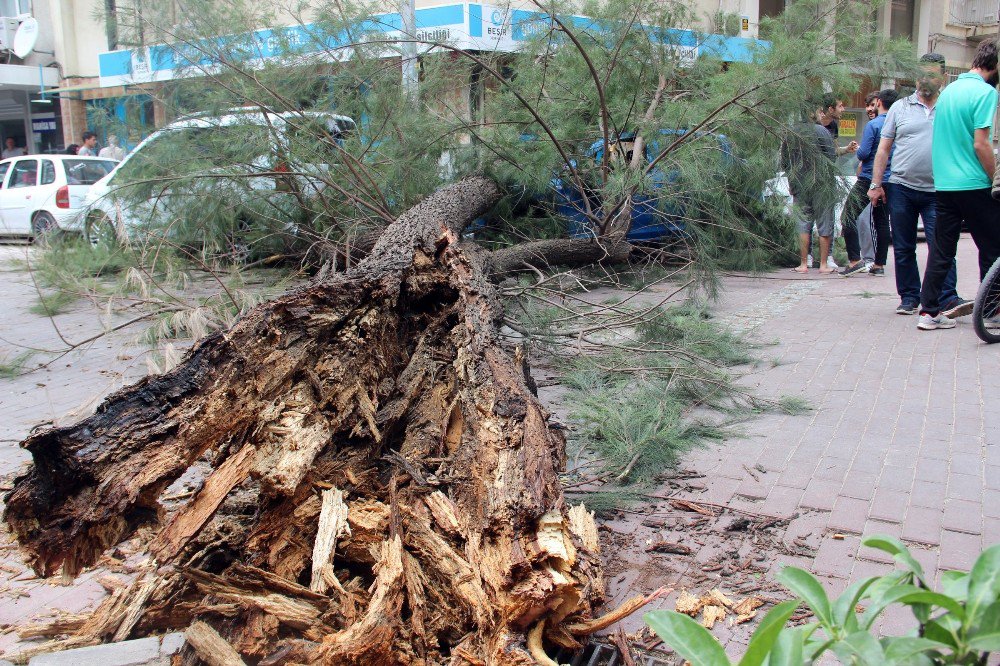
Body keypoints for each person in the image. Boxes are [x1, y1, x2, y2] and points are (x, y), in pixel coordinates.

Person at [868, 53, 968, 317]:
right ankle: (909, 297)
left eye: (932, 75)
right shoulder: (900, 107)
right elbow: (883, 149)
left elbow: (964, 144)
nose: (925, 80)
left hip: (940, 191)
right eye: (921, 74)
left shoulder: (950, 106)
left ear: (943, 78)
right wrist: (876, 184)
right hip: (901, 187)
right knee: (903, 246)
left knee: (943, 247)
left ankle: (947, 298)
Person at [918, 40, 1000, 330]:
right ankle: (992, 311)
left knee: (941, 250)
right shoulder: (986, 93)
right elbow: (981, 144)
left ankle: (928, 313)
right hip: (974, 183)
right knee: (992, 249)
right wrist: (994, 178)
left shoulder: (949, 91)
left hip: (945, 185)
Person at [841, 89, 898, 277]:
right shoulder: (899, 123)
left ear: (879, 102)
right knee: (881, 221)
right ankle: (879, 264)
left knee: (847, 216)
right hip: (891, 180)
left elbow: (864, 153)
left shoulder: (874, 125)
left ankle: (855, 260)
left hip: (869, 179)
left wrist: (858, 151)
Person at [782, 101, 842, 274]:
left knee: (802, 223)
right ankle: (823, 265)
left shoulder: (791, 134)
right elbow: (831, 158)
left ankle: (803, 264)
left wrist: (793, 182)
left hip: (800, 185)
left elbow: (785, 162)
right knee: (825, 223)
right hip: (822, 185)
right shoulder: (822, 131)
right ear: (811, 114)